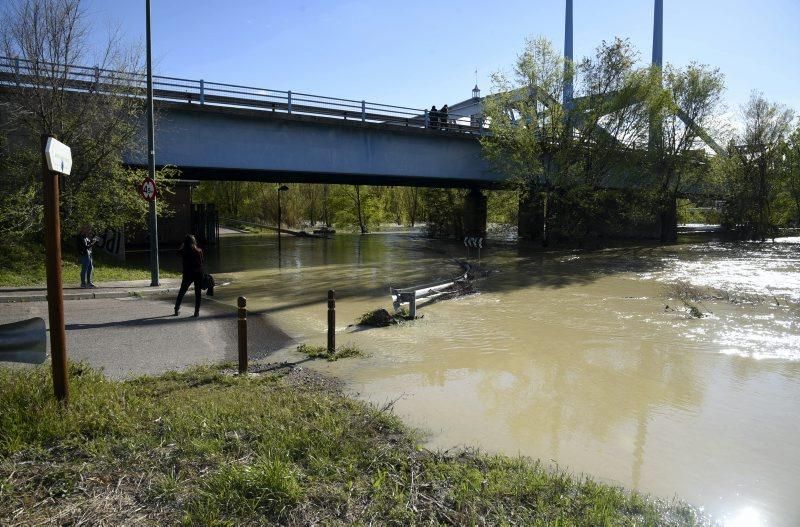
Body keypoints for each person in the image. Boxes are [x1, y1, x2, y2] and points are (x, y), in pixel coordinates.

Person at [174, 234, 204, 317]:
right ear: (194, 241)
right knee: (198, 293)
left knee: (182, 291)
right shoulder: (199, 251)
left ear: (185, 242)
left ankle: (176, 309)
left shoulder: (184, 251)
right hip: (198, 274)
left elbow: (177, 253)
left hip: (188, 274)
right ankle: (196, 312)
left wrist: (182, 246)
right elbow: (202, 262)